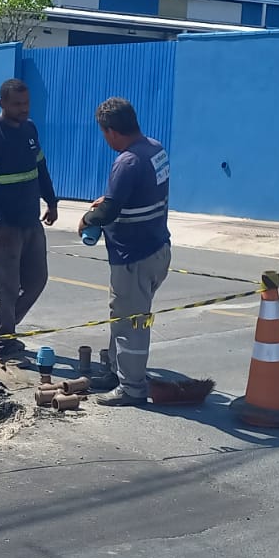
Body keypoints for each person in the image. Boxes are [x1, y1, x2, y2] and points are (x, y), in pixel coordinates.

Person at [80, 97, 172, 407]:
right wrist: (108, 202)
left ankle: (132, 387)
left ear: (111, 131)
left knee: (132, 322)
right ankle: (116, 372)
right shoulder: (155, 150)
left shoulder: (127, 161)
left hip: (134, 257)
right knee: (125, 317)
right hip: (157, 249)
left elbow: (108, 212)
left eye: (103, 133)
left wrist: (88, 219)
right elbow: (134, 195)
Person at [0, 78, 57, 358]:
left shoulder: (30, 130)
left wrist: (52, 200)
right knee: (6, 286)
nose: (24, 109)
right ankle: (4, 342)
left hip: (30, 221)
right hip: (2, 227)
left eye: (26, 103)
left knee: (37, 280)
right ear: (2, 104)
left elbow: (40, 168)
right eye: (17, 104)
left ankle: (1, 326)